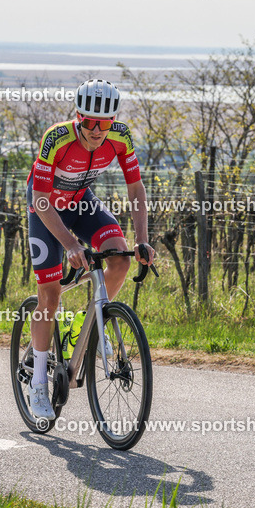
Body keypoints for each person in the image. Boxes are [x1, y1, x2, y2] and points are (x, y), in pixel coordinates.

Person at [25, 78, 156, 421]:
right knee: (49, 297)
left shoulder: (121, 137)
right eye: (91, 123)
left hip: (80, 202)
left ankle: (87, 324)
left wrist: (142, 239)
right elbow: (40, 199)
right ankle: (38, 383)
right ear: (79, 117)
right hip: (45, 207)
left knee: (120, 258)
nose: (98, 131)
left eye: (106, 123)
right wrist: (69, 244)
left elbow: (136, 190)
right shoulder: (57, 138)